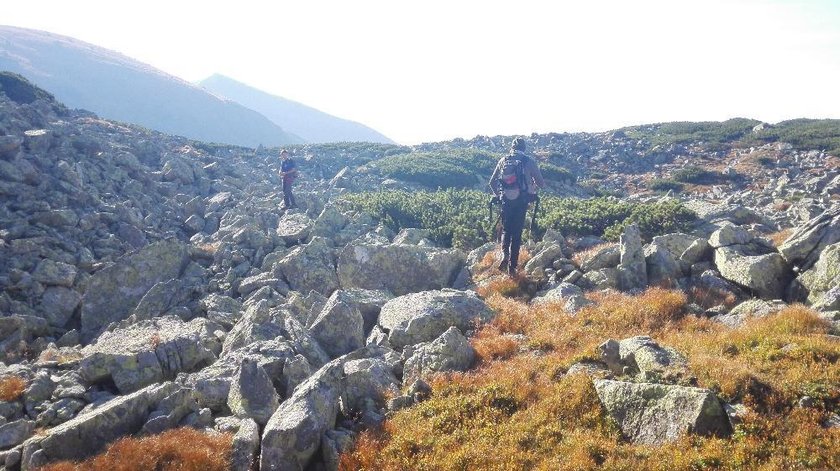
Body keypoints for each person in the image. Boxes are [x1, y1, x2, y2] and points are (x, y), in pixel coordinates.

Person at [488, 137, 545, 275]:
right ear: (524, 148)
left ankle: (504, 254)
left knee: (506, 230)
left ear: (512, 147)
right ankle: (512, 269)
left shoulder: (504, 160)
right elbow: (541, 184)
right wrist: (532, 188)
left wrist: (500, 196)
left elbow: (492, 182)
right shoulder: (528, 161)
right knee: (517, 233)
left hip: (506, 200)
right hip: (522, 201)